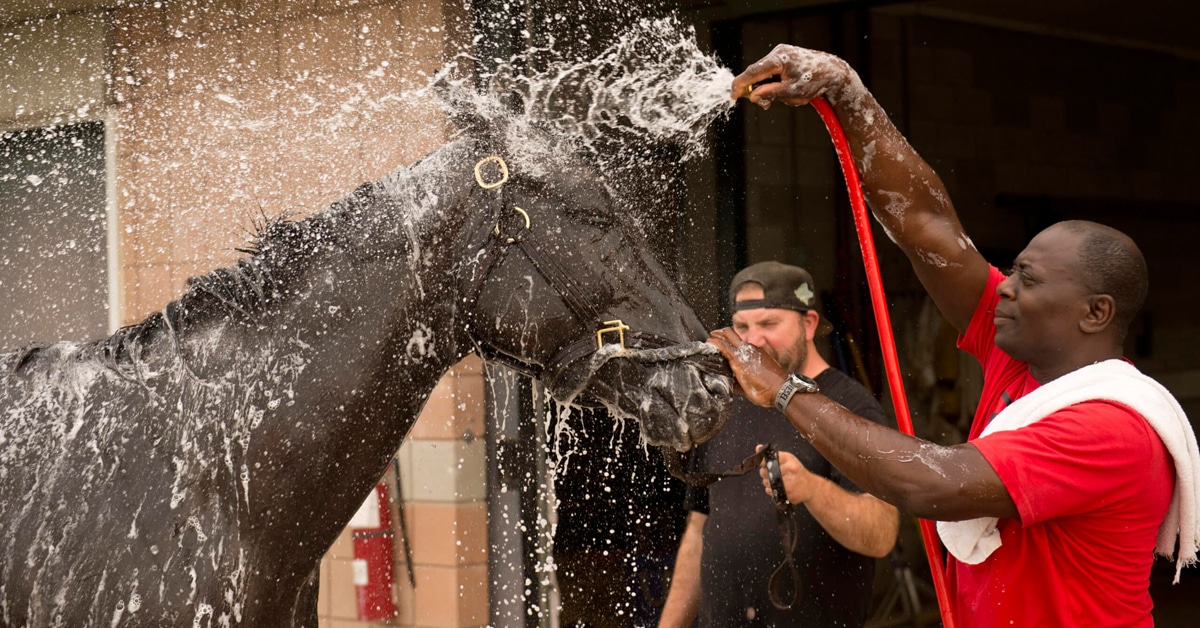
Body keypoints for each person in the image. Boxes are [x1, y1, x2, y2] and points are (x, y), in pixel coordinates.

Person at [707, 44, 1199, 627]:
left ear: (1094, 314)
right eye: (1012, 271)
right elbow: (926, 225)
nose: (1006, 288)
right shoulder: (1022, 356)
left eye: (1029, 280)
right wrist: (847, 91)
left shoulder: (1111, 429)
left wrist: (784, 389)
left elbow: (925, 483)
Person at [658, 261, 899, 627]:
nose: (753, 340)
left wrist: (813, 490)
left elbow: (882, 533)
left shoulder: (850, 407)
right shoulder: (723, 402)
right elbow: (698, 529)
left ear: (808, 324)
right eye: (742, 327)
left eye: (769, 324)